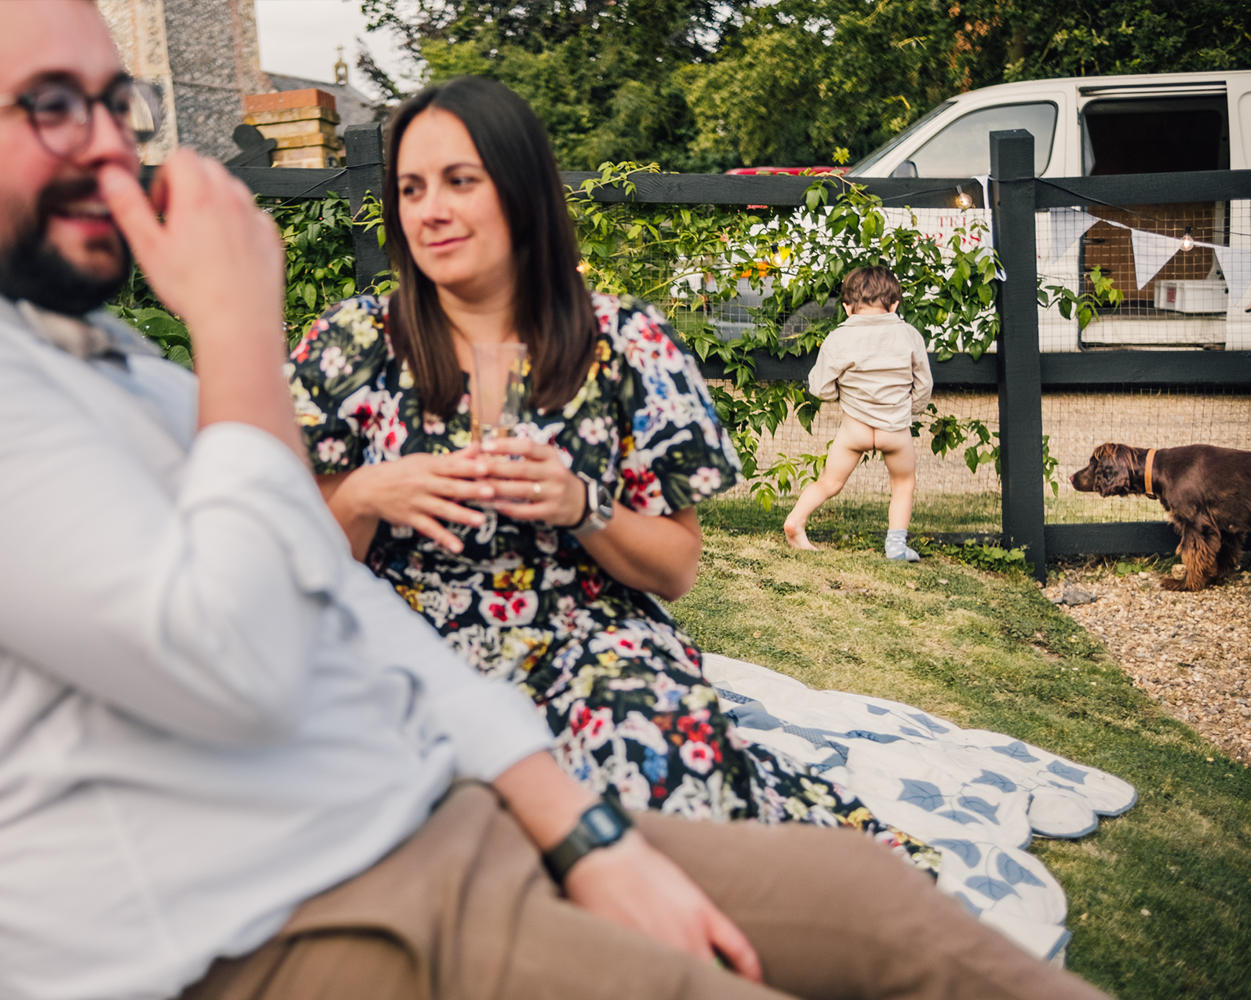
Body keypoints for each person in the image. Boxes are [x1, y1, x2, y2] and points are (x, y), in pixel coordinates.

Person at [0, 3, 1111, 999]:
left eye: (113, 100)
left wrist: (589, 835)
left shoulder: (106, 365)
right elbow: (240, 657)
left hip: (443, 809)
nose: (116, 145)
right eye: (49, 107)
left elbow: (352, 632)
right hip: (292, 912)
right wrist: (247, 335)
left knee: (878, 903)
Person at [285, 76, 932, 861]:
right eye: (411, 188)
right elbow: (292, 564)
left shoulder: (626, 342)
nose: (430, 209)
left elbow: (676, 568)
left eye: (460, 181)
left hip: (582, 631)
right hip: (399, 648)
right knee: (393, 831)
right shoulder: (350, 345)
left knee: (666, 790)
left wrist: (581, 504)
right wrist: (363, 493)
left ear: (521, 191)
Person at [783, 266, 933, 560]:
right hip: (895, 430)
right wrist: (909, 411)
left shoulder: (838, 339)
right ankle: (896, 547)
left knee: (829, 482)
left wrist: (842, 395)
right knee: (903, 483)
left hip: (854, 429)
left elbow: (820, 387)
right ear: (894, 304)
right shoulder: (909, 336)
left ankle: (796, 521)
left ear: (847, 307)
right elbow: (923, 384)